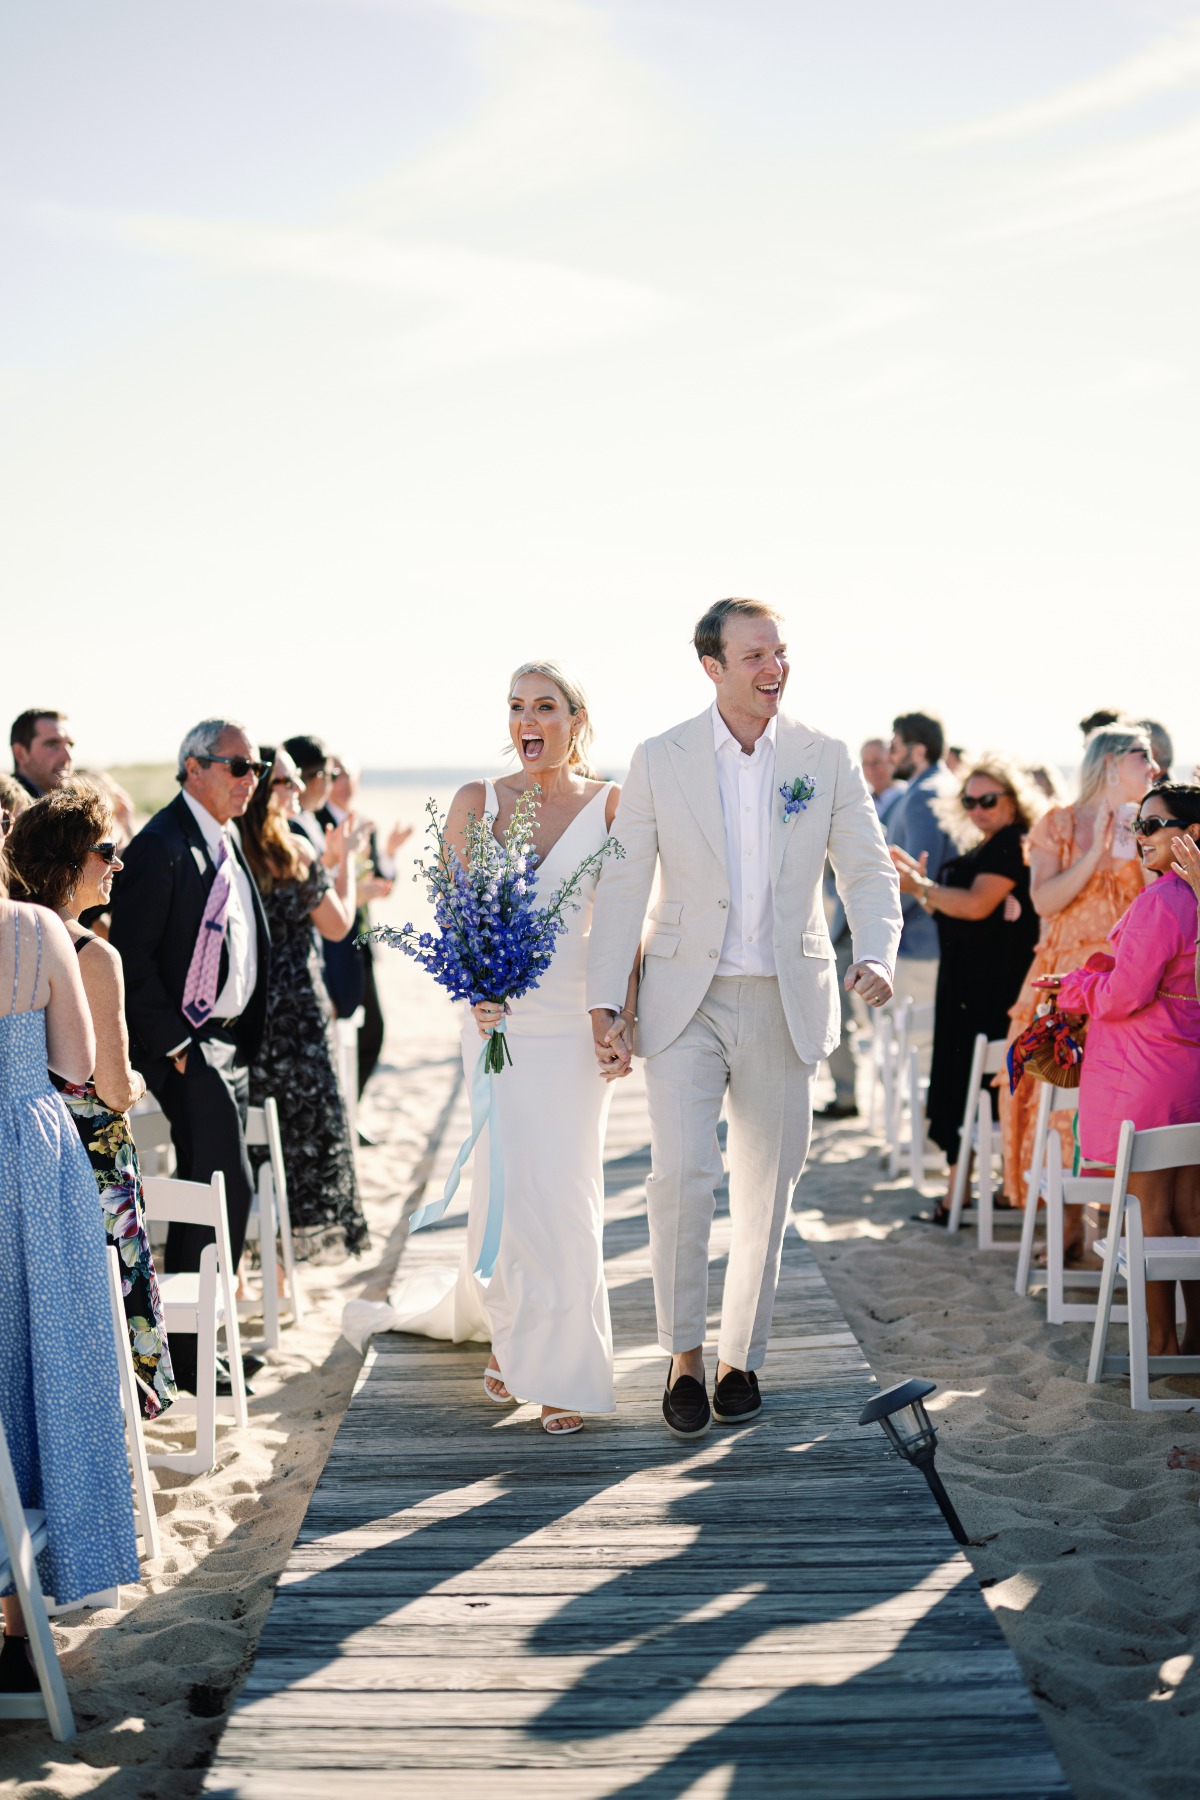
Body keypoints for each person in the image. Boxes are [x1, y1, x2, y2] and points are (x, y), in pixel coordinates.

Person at [587, 599, 902, 1438]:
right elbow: (624, 885)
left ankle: (739, 1358)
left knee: (767, 1190)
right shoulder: (662, 756)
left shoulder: (823, 756)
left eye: (782, 652)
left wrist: (874, 950)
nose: (775, 667)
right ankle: (683, 1355)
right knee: (683, 1176)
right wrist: (605, 1001)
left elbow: (868, 873)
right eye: (756, 654)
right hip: (683, 999)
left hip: (785, 996)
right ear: (713, 667)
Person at [344, 661, 627, 1437]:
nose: (527, 720)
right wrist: (476, 987)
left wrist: (619, 1018)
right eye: (515, 707)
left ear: (576, 719)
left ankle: (565, 1365)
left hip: (574, 1027)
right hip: (496, 1022)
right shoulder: (478, 801)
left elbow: (627, 928)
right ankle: (509, 1334)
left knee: (566, 1193)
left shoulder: (613, 806)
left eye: (544, 706)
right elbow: (459, 916)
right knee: (503, 1180)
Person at [0, 821, 138, 1686]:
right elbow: (78, 1064)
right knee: (43, 1357)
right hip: (29, 1163)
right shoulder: (36, 928)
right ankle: (23, 1621)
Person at [108, 719, 271, 1395]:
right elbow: (131, 959)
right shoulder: (162, 844)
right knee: (215, 1188)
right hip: (191, 1048)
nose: (251, 780)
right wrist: (177, 1047)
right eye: (240, 767)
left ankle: (207, 1342)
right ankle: (190, 1352)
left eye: (257, 768)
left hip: (227, 1043)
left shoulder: (220, 837)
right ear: (194, 768)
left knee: (227, 1190)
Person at [6, 784, 177, 1419]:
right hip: (89, 1160)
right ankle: (118, 1426)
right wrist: (136, 1085)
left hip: (23, 1149)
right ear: (69, 859)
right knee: (109, 1298)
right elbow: (107, 1084)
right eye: (106, 850)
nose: (118, 863)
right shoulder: (93, 955)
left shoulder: (12, 940)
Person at [1046, 785, 1200, 1357]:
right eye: (1139, 822)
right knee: (1190, 1211)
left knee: (1151, 1213)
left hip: (1148, 1071)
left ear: (1193, 834)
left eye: (1155, 823)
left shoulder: (1164, 899)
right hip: (1186, 1066)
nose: (1140, 833)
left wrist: (1080, 984)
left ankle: (1161, 1341)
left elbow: (1124, 995)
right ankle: (1193, 1338)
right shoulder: (1193, 897)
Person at [999, 725, 1158, 1257]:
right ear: (1111, 762)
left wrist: (1135, 841)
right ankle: (1064, 1228)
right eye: (1144, 757)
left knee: (1114, 1099)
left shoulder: (1151, 825)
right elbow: (1044, 902)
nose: (1155, 767)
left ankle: (1103, 1229)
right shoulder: (1059, 823)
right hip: (1065, 979)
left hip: (1129, 982)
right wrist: (1094, 853)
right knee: (1054, 1096)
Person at [891, 757, 1043, 1223]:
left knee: (972, 1085)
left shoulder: (1011, 846)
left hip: (989, 991)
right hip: (968, 985)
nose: (978, 809)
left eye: (988, 800)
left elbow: (976, 906)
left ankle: (961, 1195)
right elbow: (965, 916)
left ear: (1013, 801)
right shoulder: (990, 845)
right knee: (965, 1086)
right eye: (970, 801)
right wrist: (927, 892)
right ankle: (959, 1193)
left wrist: (921, 887)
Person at [239, 746, 369, 1262]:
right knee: (303, 1131)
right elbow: (338, 925)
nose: (297, 792)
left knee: (252, 1138)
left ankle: (249, 1266)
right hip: (296, 1014)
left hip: (244, 1016)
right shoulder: (293, 850)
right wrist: (346, 861)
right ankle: (280, 1264)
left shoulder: (231, 847)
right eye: (286, 783)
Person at [821, 737, 907, 1118]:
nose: (872, 769)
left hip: (896, 935)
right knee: (840, 1020)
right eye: (866, 762)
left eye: (879, 761)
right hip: (840, 929)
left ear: (894, 761)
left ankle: (893, 1102)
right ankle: (847, 1096)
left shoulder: (908, 803)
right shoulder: (858, 798)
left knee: (894, 1027)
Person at [326, 757, 412, 1102]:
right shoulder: (316, 823)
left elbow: (381, 879)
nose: (344, 781)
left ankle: (352, 1108)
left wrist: (390, 853)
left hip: (361, 943)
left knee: (373, 1033)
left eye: (349, 773)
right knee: (337, 1035)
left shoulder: (365, 824)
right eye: (337, 774)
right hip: (331, 942)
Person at [885, 712, 957, 1011]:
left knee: (913, 1046)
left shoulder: (922, 796)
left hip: (919, 945)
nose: (891, 756)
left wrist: (880, 920)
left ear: (919, 751)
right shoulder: (947, 784)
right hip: (940, 938)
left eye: (895, 747)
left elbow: (915, 877)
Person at [10, 709, 74, 800]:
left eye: (70, 745)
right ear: (20, 753)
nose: (68, 757)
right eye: (53, 744)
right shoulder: (9, 808)